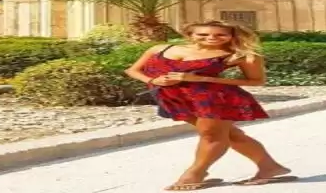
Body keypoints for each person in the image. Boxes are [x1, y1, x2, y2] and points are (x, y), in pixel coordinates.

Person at [125, 20, 294, 191]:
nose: (211, 38)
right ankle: (270, 167)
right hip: (175, 99)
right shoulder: (160, 49)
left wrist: (200, 78)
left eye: (221, 34)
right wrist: (153, 80)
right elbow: (132, 70)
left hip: (214, 99)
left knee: (211, 136)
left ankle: (194, 174)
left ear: (231, 36)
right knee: (230, 135)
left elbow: (257, 81)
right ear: (190, 34)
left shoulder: (237, 55)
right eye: (203, 34)